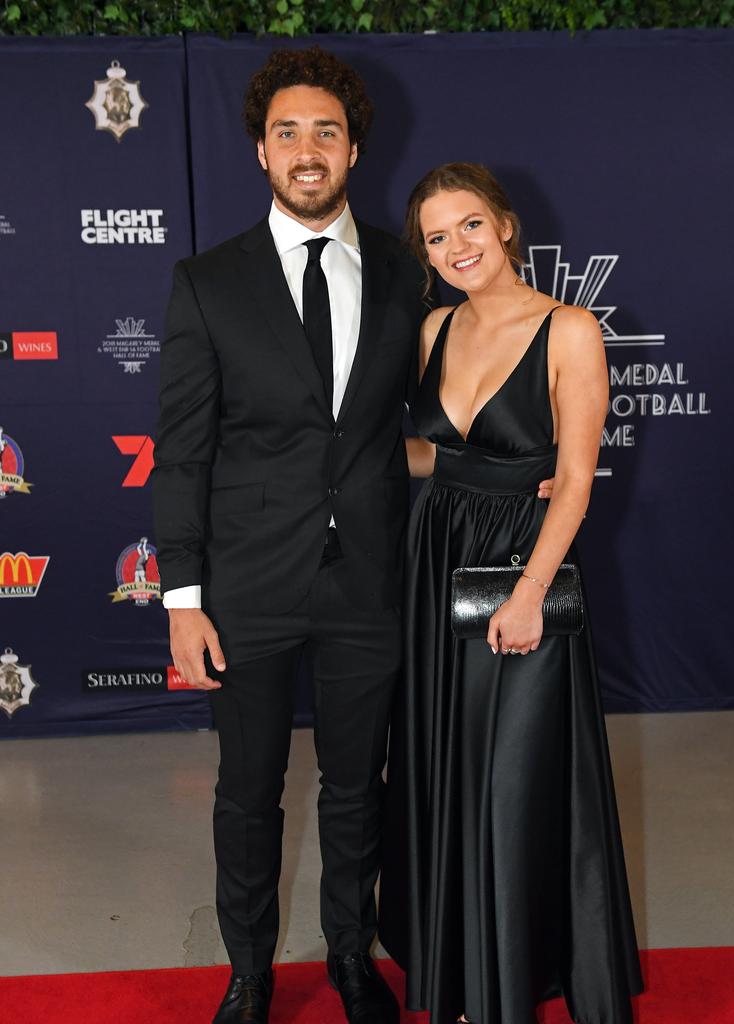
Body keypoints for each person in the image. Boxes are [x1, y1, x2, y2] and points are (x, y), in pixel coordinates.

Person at [153, 48, 555, 1024]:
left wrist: (512, 465)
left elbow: (430, 423)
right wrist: (181, 600)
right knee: (247, 795)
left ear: (353, 147)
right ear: (260, 150)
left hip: (371, 582)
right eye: (287, 131)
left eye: (326, 131)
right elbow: (181, 455)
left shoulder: (405, 272)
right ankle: (249, 972)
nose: (307, 149)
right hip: (246, 587)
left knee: (355, 790)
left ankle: (347, 954)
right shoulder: (207, 283)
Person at [379, 163, 643, 1024]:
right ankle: (461, 978)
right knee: (444, 763)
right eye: (436, 236)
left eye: (469, 226)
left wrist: (530, 593)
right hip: (438, 556)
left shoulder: (570, 329)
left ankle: (510, 983)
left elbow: (574, 480)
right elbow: (435, 455)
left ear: (505, 226)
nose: (456, 247)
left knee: (512, 778)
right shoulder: (433, 330)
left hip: (520, 567)